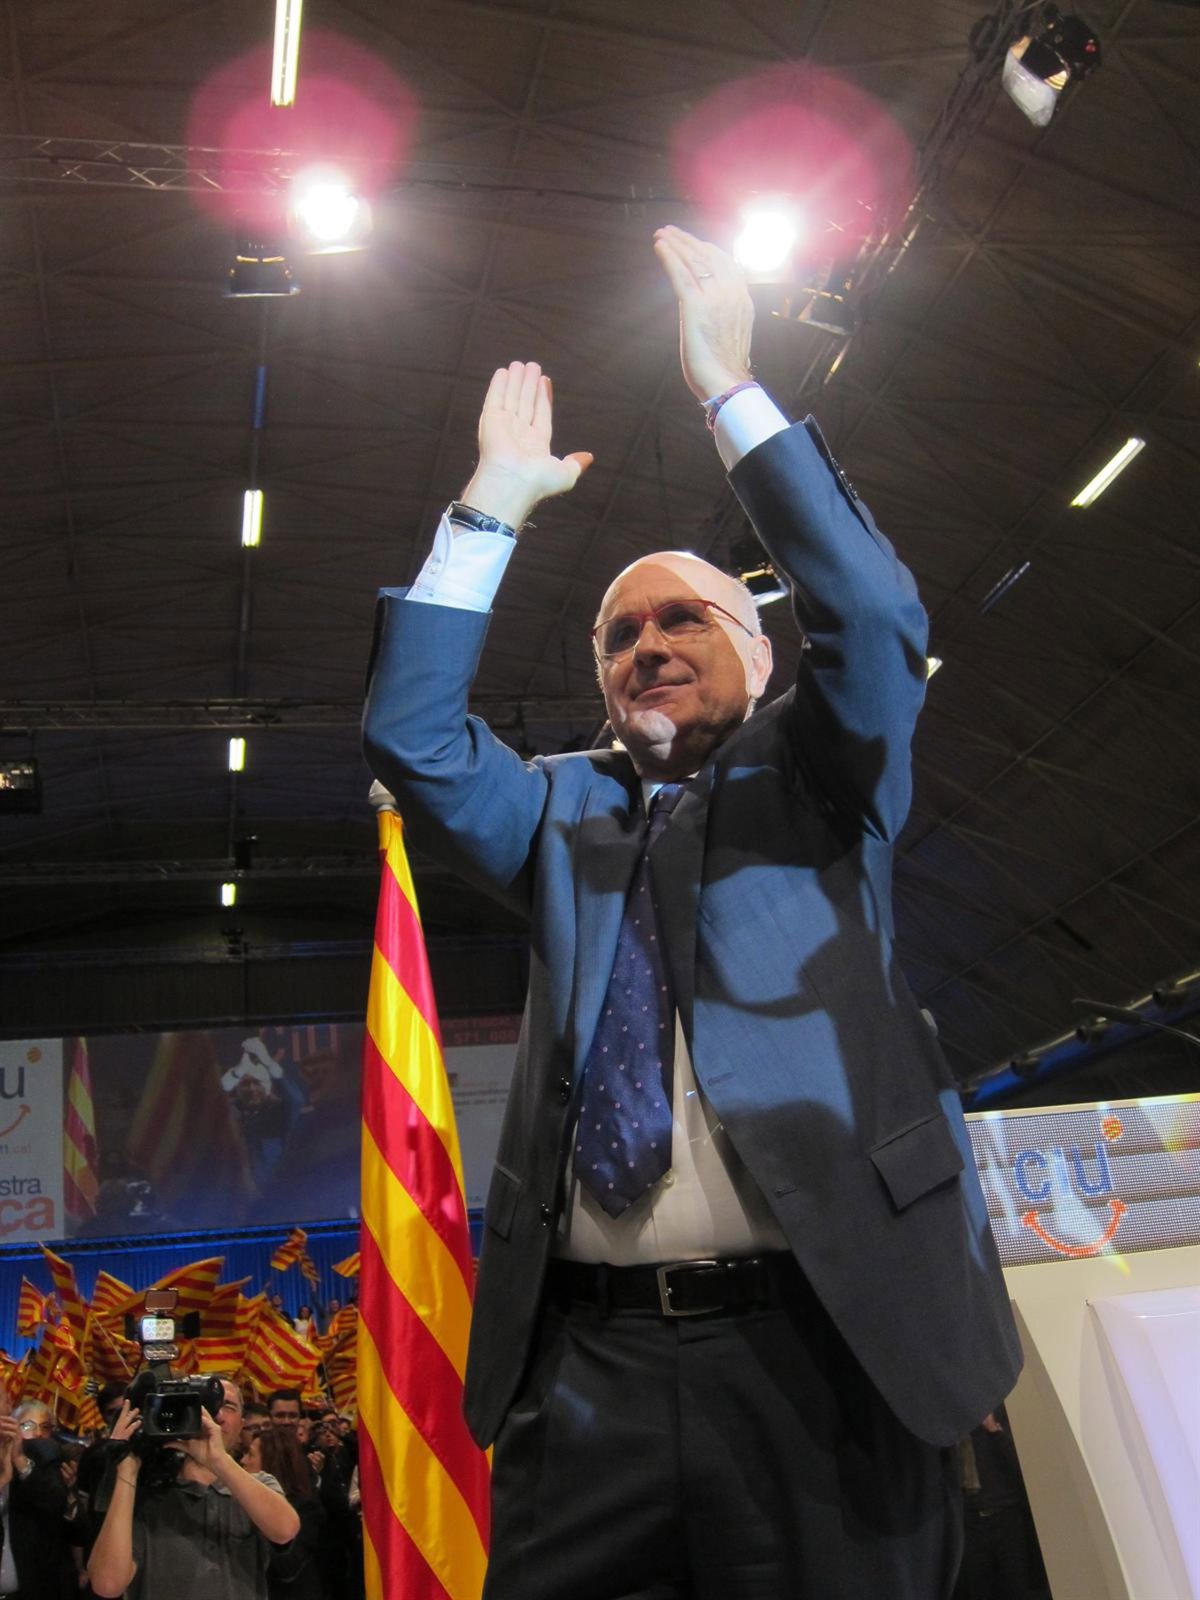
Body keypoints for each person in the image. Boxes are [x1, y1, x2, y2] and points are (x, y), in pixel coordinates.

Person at [362, 225, 1022, 1599]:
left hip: (824, 1348)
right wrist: (490, 506)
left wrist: (730, 389)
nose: (648, 645)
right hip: (583, 1371)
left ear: (760, 657)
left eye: (685, 621)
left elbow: (873, 615)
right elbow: (414, 739)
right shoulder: (556, 809)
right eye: (619, 634)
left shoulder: (827, 775)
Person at [87, 1377, 300, 1599]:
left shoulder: (260, 1484)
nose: (216, 1415)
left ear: (241, 1423)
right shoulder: (144, 1494)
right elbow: (107, 1584)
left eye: (228, 1406)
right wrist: (126, 1467)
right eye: (204, 1404)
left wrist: (218, 1461)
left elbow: (285, 1530)